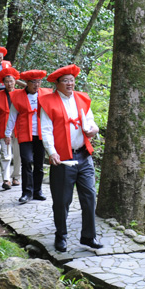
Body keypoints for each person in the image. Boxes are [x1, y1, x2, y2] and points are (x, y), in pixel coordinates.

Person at [39, 64, 102, 253]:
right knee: (62, 200)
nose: (70, 83)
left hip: (84, 155)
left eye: (72, 80)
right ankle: (61, 236)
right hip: (63, 159)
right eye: (65, 80)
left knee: (90, 196)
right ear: (57, 83)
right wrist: (51, 152)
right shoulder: (48, 102)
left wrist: (94, 130)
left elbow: (90, 122)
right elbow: (46, 130)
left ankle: (89, 237)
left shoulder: (82, 99)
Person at [4, 70, 51, 204]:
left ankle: (37, 191)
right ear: (27, 83)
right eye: (33, 82)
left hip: (41, 134)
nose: (37, 85)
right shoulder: (18, 96)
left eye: (39, 82)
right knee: (26, 161)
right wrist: (7, 134)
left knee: (39, 164)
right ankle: (26, 192)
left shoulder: (46, 94)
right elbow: (12, 116)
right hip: (25, 134)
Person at [0, 67, 22, 190]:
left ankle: (16, 177)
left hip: (19, 128)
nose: (9, 83)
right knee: (6, 154)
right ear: (3, 82)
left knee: (18, 154)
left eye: (11, 81)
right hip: (3, 126)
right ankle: (6, 179)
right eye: (7, 81)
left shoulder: (21, 94)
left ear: (15, 81)